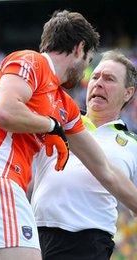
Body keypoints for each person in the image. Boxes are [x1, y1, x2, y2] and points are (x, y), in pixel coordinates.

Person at [0, 10, 137, 260]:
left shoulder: (63, 103)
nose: (85, 74)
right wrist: (50, 126)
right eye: (89, 63)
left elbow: (104, 169)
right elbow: (4, 111)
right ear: (80, 49)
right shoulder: (31, 61)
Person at [31, 50, 137, 259]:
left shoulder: (133, 144)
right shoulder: (55, 120)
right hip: (36, 235)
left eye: (109, 79)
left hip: (88, 240)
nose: (98, 83)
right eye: (95, 76)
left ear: (128, 93)